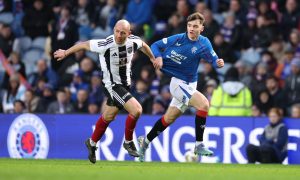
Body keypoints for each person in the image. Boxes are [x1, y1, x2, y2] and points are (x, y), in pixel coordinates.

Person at [53, 19, 156, 164]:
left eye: (123, 33)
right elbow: (83, 44)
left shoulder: (133, 41)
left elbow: (144, 45)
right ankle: (128, 141)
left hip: (125, 85)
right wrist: (65, 52)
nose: (119, 35)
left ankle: (92, 142)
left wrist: (152, 58)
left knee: (108, 116)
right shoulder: (106, 44)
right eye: (117, 31)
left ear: (129, 34)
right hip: (112, 85)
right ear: (113, 29)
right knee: (137, 110)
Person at [137, 12, 224, 162]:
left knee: (168, 119)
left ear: (201, 28)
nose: (191, 28)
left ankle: (145, 142)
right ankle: (199, 144)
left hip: (191, 84)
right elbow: (155, 45)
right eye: (189, 25)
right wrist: (158, 56)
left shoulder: (204, 43)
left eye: (195, 26)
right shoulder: (177, 39)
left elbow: (213, 57)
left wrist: (218, 62)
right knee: (204, 104)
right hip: (177, 83)